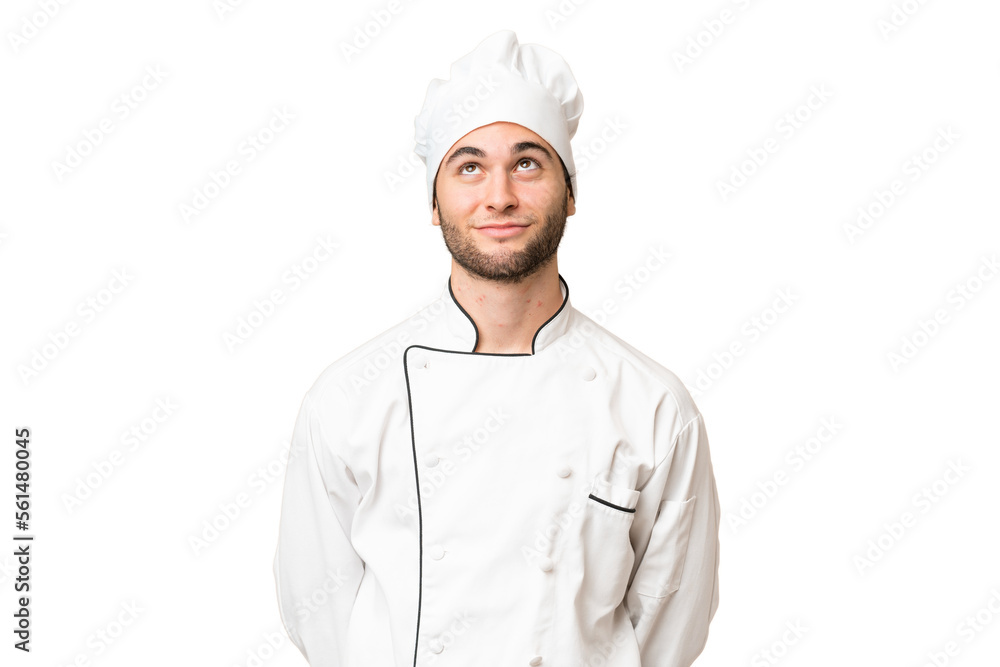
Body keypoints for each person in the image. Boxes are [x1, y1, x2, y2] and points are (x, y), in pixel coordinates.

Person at [273, 29, 720, 667]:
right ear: (435, 200)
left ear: (570, 192)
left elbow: (671, 625)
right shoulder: (349, 399)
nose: (500, 195)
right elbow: (319, 609)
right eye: (470, 166)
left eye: (528, 162)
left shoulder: (654, 408)